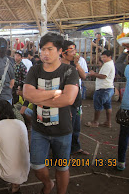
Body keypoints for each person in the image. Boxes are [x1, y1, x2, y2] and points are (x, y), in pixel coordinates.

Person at [23, 32, 79, 194]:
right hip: (39, 129)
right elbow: (27, 95)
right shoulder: (35, 70)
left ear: (60, 50)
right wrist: (55, 93)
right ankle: (48, 184)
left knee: (62, 168)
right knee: (37, 166)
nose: (45, 53)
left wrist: (38, 98)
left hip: (62, 130)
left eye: (50, 49)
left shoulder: (69, 71)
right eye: (42, 49)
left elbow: (68, 99)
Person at [60, 40, 89, 155]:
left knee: (76, 127)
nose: (74, 53)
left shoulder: (74, 64)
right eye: (71, 51)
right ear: (63, 53)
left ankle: (76, 147)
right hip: (66, 102)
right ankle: (63, 152)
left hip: (77, 100)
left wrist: (77, 64)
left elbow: (84, 76)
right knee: (67, 128)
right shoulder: (59, 66)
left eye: (75, 50)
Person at [114, 44, 129, 184]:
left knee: (124, 136)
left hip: (128, 109)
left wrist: (126, 50)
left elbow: (118, 63)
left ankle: (121, 162)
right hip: (128, 107)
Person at [85, 50, 115, 128]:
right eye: (102, 57)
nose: (103, 58)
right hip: (108, 87)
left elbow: (103, 76)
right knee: (108, 105)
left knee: (98, 105)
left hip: (103, 88)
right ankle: (108, 122)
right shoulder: (109, 64)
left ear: (109, 57)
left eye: (104, 57)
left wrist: (93, 74)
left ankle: (95, 122)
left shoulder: (107, 65)